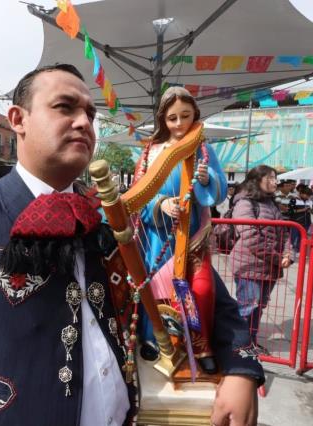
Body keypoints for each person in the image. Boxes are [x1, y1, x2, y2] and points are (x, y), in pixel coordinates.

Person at [0, 64, 262, 426]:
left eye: (91, 114)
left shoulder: (109, 214)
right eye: (64, 107)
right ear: (18, 119)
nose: (83, 122)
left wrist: (242, 369)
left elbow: (211, 297)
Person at [132, 86, 228, 374]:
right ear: (163, 119)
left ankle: (200, 345)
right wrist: (160, 205)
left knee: (200, 289)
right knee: (158, 290)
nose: (178, 124)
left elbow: (220, 190)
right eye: (172, 118)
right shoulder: (149, 152)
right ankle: (155, 340)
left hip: (192, 235)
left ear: (194, 115)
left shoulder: (203, 149)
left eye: (185, 116)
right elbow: (137, 196)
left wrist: (205, 178)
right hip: (159, 236)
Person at [231, 165, 293, 351]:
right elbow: (250, 237)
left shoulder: (271, 203)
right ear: (257, 180)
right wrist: (277, 258)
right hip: (249, 267)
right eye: (271, 178)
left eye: (275, 177)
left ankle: (249, 342)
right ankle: (238, 346)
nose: (275, 182)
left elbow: (285, 233)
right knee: (247, 309)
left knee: (258, 308)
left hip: (269, 268)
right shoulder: (245, 203)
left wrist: (288, 254)